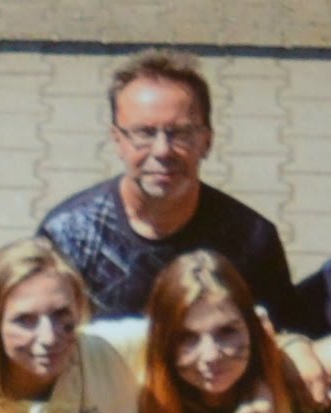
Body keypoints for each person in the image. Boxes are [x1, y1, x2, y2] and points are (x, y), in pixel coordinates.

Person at [37, 50, 297, 327]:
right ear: (117, 140)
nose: (162, 151)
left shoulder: (250, 240)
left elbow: (282, 337)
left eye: (181, 133)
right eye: (144, 133)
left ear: (207, 142)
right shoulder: (68, 237)